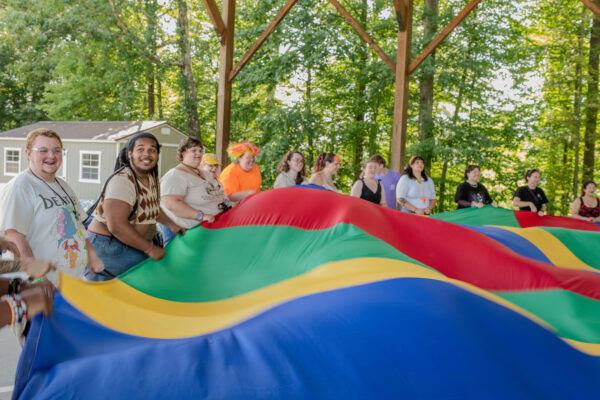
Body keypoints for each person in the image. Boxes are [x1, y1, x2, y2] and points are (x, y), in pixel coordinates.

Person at [0, 128, 104, 284]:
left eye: (57, 150)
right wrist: (37, 278)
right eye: (43, 150)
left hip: (68, 282)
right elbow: (14, 236)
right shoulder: (21, 186)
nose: (51, 156)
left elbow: (78, 223)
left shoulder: (63, 185)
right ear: (28, 154)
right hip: (37, 286)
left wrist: (91, 255)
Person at [85, 132, 184, 281]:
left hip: (132, 246)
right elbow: (116, 226)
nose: (147, 154)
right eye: (140, 149)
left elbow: (151, 207)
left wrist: (172, 224)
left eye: (152, 150)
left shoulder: (151, 176)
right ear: (130, 153)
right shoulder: (122, 181)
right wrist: (150, 249)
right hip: (110, 248)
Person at [159, 138, 230, 246]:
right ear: (183, 153)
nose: (198, 154)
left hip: (205, 230)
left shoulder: (203, 173)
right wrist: (201, 216)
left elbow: (215, 194)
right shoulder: (175, 175)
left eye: (200, 150)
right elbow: (172, 204)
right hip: (184, 233)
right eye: (193, 150)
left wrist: (226, 204)